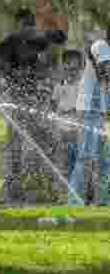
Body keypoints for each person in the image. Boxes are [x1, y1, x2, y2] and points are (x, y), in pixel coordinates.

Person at [0, 8, 68, 204]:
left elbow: (60, 37)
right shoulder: (18, 39)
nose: (29, 26)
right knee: (25, 142)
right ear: (22, 23)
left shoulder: (26, 38)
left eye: (30, 23)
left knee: (28, 142)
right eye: (28, 22)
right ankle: (20, 186)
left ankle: (29, 185)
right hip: (24, 97)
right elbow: (61, 37)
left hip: (28, 97)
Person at [73, 30, 110, 206]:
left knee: (103, 158)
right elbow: (105, 73)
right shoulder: (101, 46)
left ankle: (102, 200)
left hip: (99, 111)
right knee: (85, 157)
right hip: (88, 110)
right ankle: (75, 200)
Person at [54, 49, 85, 205]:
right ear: (63, 67)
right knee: (63, 164)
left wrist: (71, 111)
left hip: (77, 130)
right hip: (62, 130)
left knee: (78, 164)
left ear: (80, 68)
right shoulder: (59, 85)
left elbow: (82, 108)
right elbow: (54, 106)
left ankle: (78, 195)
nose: (70, 72)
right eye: (67, 68)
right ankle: (64, 195)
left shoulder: (83, 85)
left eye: (74, 69)